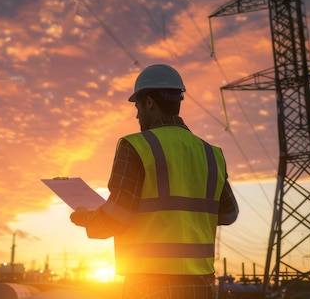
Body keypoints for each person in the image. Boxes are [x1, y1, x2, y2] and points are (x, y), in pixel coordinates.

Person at [70, 64, 239, 299]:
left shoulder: (136, 146)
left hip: (151, 285)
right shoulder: (211, 153)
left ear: (149, 102)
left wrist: (86, 218)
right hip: (202, 285)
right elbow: (229, 214)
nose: (137, 114)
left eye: (137, 106)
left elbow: (118, 215)